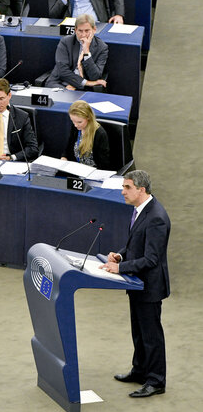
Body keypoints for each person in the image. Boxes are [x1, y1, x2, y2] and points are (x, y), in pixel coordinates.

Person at [100, 170, 170, 398]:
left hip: (149, 287)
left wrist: (120, 268)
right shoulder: (141, 211)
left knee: (151, 336)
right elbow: (135, 246)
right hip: (136, 284)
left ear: (141, 190)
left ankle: (156, 381)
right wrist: (121, 256)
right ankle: (140, 371)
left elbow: (151, 258)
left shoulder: (156, 217)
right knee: (139, 333)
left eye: (127, 187)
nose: (122, 192)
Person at [46, 14, 108, 91]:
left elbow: (95, 76)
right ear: (75, 30)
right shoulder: (65, 42)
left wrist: (86, 52)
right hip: (61, 82)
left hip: (84, 88)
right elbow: (62, 71)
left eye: (87, 31)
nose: (83, 35)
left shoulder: (102, 47)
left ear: (94, 30)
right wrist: (86, 82)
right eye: (80, 31)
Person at [62, 100, 110, 169]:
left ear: (88, 118)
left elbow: (104, 163)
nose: (75, 125)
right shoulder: (76, 128)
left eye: (79, 122)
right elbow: (68, 148)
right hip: (75, 169)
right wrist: (64, 157)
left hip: (93, 172)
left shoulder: (99, 134)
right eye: (73, 121)